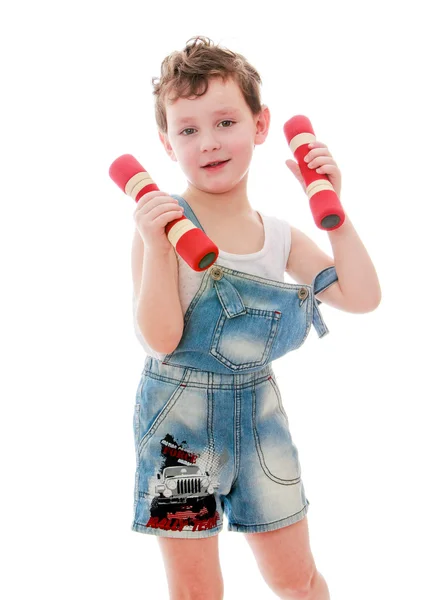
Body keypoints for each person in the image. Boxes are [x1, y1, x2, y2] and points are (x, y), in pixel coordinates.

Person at [130, 35, 381, 600]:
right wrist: (155, 245)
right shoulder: (162, 226)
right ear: (167, 144)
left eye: (225, 122)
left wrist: (334, 209)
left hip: (261, 421)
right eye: (188, 129)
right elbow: (162, 338)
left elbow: (362, 297)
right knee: (197, 593)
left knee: (297, 579)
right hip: (180, 428)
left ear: (260, 125)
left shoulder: (280, 238)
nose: (209, 142)